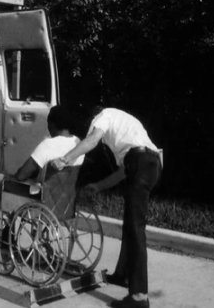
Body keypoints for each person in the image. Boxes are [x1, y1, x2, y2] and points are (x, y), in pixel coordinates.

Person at [52, 106, 161, 308]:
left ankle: (139, 297)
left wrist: (64, 159)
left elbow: (92, 141)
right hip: (150, 164)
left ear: (94, 117)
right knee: (131, 224)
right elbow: (123, 172)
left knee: (136, 229)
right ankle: (123, 275)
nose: (95, 131)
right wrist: (99, 186)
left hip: (141, 164)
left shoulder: (103, 116)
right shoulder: (126, 125)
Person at [0, 104, 84, 245]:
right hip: (64, 202)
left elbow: (22, 175)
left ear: (53, 124)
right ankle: (5, 230)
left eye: (48, 124)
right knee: (10, 185)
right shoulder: (77, 143)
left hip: (41, 199)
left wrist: (13, 176)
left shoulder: (49, 144)